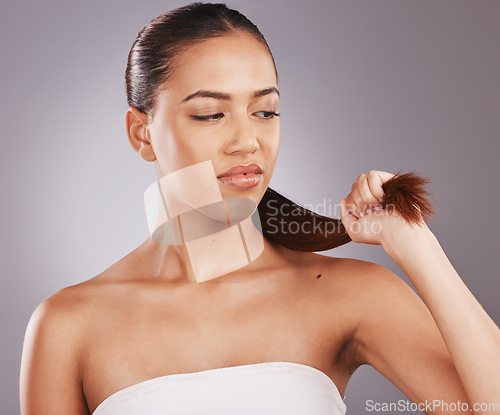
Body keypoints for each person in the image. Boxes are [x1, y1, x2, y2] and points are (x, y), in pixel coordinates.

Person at [19, 3, 500, 415]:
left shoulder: (349, 295)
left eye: (265, 111)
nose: (247, 141)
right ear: (142, 134)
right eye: (211, 114)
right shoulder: (68, 324)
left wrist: (415, 244)